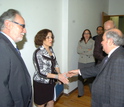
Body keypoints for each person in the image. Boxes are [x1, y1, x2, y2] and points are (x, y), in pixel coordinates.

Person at [67, 28, 124, 107]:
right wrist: (78, 71)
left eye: (103, 40)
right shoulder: (112, 55)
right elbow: (98, 69)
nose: (101, 42)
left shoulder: (119, 59)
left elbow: (118, 94)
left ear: (110, 41)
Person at [0, 9, 32, 107]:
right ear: (8, 24)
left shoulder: (7, 44)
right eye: (22, 26)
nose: (25, 31)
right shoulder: (1, 46)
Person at [33, 29, 69, 107]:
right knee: (41, 104)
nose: (51, 39)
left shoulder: (51, 50)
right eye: (48, 37)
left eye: (51, 37)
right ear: (42, 38)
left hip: (51, 81)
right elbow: (41, 72)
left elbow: (55, 63)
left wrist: (59, 75)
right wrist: (57, 76)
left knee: (51, 101)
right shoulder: (38, 53)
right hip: (41, 83)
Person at [77, 29, 95, 97]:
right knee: (80, 78)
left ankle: (93, 92)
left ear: (90, 34)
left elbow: (92, 52)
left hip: (90, 61)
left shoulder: (93, 41)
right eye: (85, 33)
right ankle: (80, 93)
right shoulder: (80, 41)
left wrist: (83, 50)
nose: (86, 35)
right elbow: (78, 50)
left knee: (90, 78)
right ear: (83, 34)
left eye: (88, 33)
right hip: (81, 61)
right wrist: (87, 50)